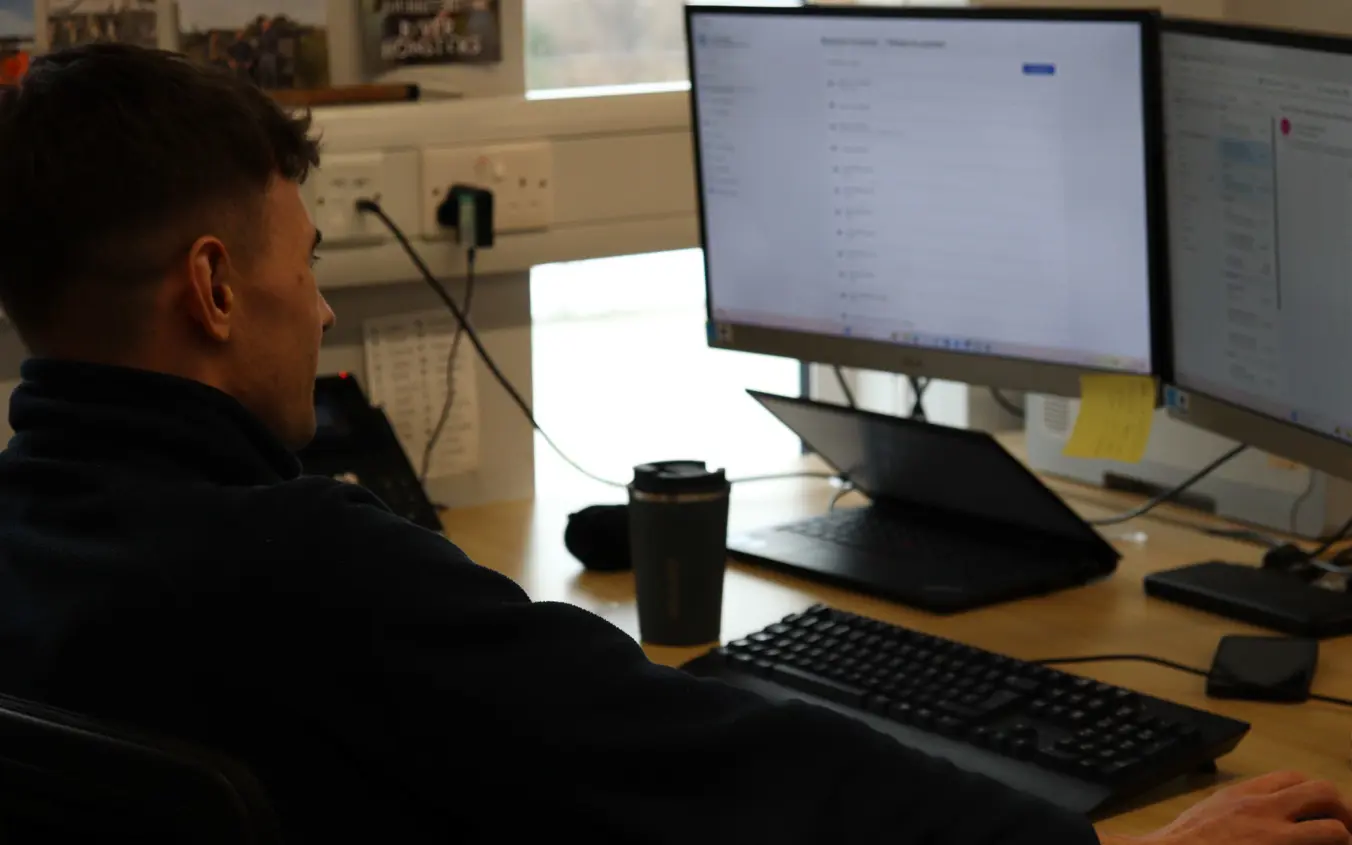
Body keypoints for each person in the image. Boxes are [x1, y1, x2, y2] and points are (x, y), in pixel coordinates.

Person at [0, 42, 1346, 845]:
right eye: (306, 264)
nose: (324, 307)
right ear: (214, 286)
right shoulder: (301, 570)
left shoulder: (38, 534)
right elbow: (701, 756)